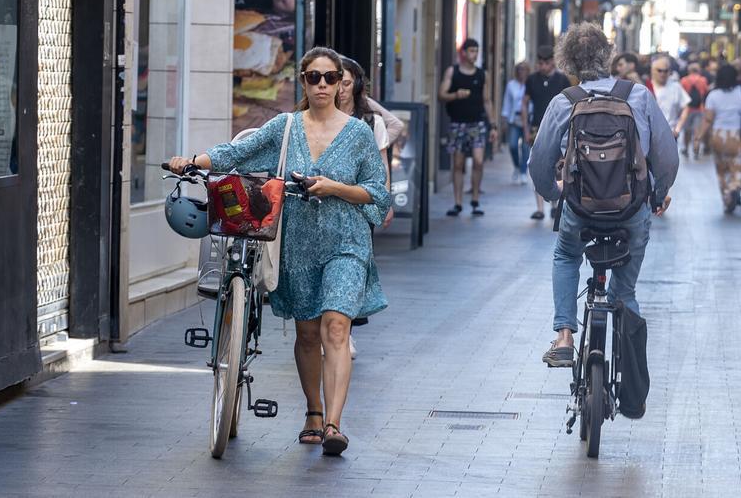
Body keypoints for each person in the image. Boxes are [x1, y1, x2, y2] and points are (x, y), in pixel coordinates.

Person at [167, 47, 391, 456]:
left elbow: (378, 194)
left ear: (342, 82)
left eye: (329, 77)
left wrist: (334, 187)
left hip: (347, 242)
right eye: (312, 77)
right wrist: (191, 161)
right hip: (296, 244)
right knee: (307, 332)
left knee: (337, 327)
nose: (321, 84)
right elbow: (236, 153)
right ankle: (313, 413)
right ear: (302, 82)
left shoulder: (359, 134)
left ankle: (335, 426)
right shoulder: (285, 127)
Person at [529, 23, 678, 367]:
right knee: (625, 292)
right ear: (609, 56)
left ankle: (564, 334)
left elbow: (539, 163)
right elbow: (667, 156)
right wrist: (658, 194)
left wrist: (556, 194)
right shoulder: (638, 95)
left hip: (581, 208)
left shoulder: (563, 102)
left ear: (568, 63)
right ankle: (628, 361)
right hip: (631, 209)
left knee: (566, 255)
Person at [337, 56, 401, 358]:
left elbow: (383, 163)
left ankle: (344, 331)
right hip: (323, 203)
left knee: (351, 270)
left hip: (360, 203)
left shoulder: (370, 121)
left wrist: (385, 200)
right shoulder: (315, 117)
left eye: (346, 82)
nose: (339, 89)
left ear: (356, 85)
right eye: (336, 81)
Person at [439, 38, 497, 217]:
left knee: (479, 161)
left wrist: (493, 125)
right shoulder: (453, 71)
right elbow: (441, 95)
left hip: (477, 123)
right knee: (458, 163)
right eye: (471, 51)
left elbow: (487, 100)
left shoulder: (482, 74)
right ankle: (457, 202)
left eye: (476, 51)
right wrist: (456, 95)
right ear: (463, 53)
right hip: (457, 123)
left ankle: (475, 199)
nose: (475, 54)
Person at [696, 65, 741, 213]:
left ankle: (726, 195)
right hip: (737, 136)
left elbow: (708, 119)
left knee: (722, 169)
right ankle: (734, 188)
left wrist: (699, 137)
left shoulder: (713, 95)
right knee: (740, 167)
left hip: (718, 136)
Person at [521, 46, 571, 221]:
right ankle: (540, 207)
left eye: (546, 63)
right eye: (540, 63)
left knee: (557, 167)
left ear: (553, 62)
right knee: (538, 165)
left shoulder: (562, 79)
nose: (543, 66)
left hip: (558, 128)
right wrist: (526, 128)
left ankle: (555, 204)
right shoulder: (532, 79)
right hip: (537, 127)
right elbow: (525, 103)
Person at [502, 61, 531, 185]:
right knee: (513, 145)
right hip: (514, 119)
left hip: (529, 120)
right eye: (519, 69)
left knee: (525, 147)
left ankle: (524, 172)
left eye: (524, 69)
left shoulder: (531, 84)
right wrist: (504, 119)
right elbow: (507, 103)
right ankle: (517, 167)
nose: (521, 72)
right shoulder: (511, 85)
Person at [651, 55, 691, 138]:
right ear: (652, 70)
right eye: (659, 70)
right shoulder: (646, 87)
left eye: (666, 71)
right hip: (651, 135)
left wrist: (677, 129)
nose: (663, 73)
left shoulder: (675, 87)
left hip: (670, 134)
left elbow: (686, 107)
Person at [680, 63, 710, 158]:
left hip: (687, 109)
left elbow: (681, 94)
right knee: (697, 130)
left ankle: (685, 149)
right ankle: (696, 149)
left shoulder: (684, 80)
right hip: (700, 108)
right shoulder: (703, 80)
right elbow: (706, 91)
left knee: (687, 130)